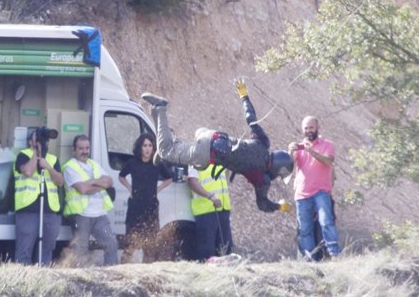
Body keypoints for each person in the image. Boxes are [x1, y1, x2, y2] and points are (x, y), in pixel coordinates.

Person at [141, 78, 293, 213]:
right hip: (208, 152)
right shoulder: (262, 179)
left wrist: (244, 96)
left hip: (213, 135)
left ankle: (157, 116)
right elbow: (262, 204)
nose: (277, 177)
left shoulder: (264, 143)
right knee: (166, 150)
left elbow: (251, 119)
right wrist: (279, 207)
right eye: (280, 174)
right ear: (278, 169)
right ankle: (160, 107)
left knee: (189, 158)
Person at [288, 115, 340, 260]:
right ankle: (309, 259)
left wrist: (312, 152)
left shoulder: (327, 145)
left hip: (321, 191)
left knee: (326, 222)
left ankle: (334, 253)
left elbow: (328, 161)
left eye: (311, 127)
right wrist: (290, 153)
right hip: (302, 193)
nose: (309, 130)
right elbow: (288, 168)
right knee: (304, 229)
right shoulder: (299, 148)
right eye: (306, 128)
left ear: (318, 128)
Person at [63, 134, 119, 266]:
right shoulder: (70, 167)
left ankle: (111, 274)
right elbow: (83, 189)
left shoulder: (94, 164)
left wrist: (91, 182)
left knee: (111, 244)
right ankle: (78, 276)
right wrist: (100, 184)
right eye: (81, 148)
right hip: (82, 215)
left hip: (100, 215)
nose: (85, 151)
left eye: (87, 148)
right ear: (74, 150)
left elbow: (109, 181)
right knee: (80, 251)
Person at [118, 132, 172, 263]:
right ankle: (124, 268)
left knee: (150, 244)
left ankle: (147, 269)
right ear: (140, 147)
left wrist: (157, 189)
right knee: (130, 242)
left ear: (153, 148)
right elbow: (121, 176)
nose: (147, 149)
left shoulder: (157, 163)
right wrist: (129, 188)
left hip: (151, 206)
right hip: (135, 206)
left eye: (150, 145)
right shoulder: (132, 163)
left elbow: (169, 178)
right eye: (144, 145)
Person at [13, 127, 64, 265]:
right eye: (38, 139)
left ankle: (44, 274)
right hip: (28, 210)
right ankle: (22, 275)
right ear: (30, 142)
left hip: (50, 211)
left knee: (47, 249)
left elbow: (60, 181)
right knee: (24, 249)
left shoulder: (52, 159)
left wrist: (48, 167)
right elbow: (28, 171)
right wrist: (37, 152)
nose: (42, 142)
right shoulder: (23, 155)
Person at [187, 163, 232, 261]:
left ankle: (225, 269)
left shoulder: (219, 161)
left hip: (223, 209)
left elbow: (226, 173)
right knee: (207, 250)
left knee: (226, 247)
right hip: (205, 211)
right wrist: (210, 196)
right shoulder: (196, 160)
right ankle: (205, 269)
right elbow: (192, 182)